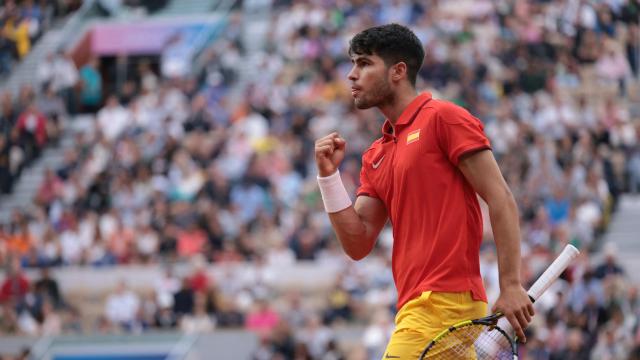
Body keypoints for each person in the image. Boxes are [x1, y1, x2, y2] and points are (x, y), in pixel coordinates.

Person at [314, 23, 533, 358]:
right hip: (415, 307)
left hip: (445, 305)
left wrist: (511, 284)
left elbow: (500, 197)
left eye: (364, 63)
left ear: (398, 71)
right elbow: (357, 242)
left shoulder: (443, 118)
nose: (351, 75)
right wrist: (329, 178)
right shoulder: (376, 154)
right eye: (353, 64)